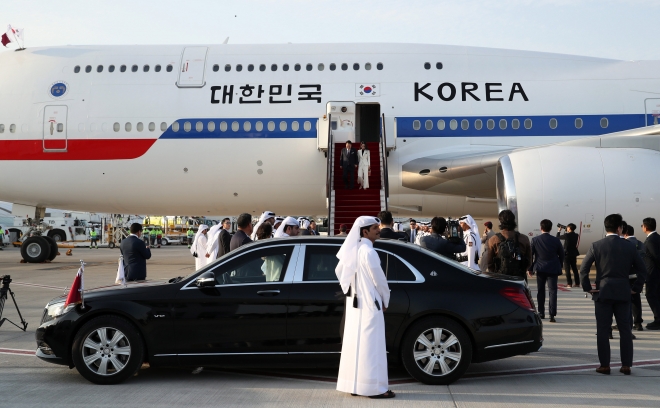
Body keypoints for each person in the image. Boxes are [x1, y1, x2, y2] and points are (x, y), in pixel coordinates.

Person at [579, 213, 646, 375]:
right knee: (625, 330)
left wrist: (588, 287)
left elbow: (584, 269)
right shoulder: (630, 246)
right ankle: (626, 365)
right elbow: (642, 270)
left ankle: (605, 365)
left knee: (602, 330)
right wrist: (635, 288)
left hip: (603, 292)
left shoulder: (596, 245)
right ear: (619, 228)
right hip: (623, 292)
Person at [335, 216, 394, 399]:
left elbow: (342, 274)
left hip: (355, 305)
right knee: (372, 348)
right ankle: (375, 389)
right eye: (374, 227)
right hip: (369, 304)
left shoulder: (355, 250)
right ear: (364, 232)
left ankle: (355, 385)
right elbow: (380, 281)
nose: (378, 229)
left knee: (355, 346)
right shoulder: (369, 252)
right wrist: (386, 300)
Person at [528, 219, 564, 322]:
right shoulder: (556, 240)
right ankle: (552, 315)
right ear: (551, 228)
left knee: (541, 291)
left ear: (541, 228)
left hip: (540, 268)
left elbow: (531, 255)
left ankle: (541, 312)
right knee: (553, 292)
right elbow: (561, 254)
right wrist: (559, 265)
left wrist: (530, 268)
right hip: (553, 268)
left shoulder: (535, 240)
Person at [486, 210, 532, 278]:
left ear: (501, 222)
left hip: (500, 278)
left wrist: (495, 273)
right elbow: (529, 261)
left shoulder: (493, 240)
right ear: (514, 221)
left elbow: (489, 262)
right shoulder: (524, 239)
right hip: (519, 278)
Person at [624, 225, 645, 331]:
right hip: (637, 276)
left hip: (626, 276)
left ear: (625, 233)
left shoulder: (625, 244)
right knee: (636, 300)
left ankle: (624, 323)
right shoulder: (640, 243)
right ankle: (638, 323)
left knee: (625, 302)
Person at [642, 217, 660, 330]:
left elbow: (656, 257)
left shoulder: (650, 240)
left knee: (651, 295)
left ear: (646, 227)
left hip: (653, 273)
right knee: (657, 295)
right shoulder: (657, 237)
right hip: (656, 272)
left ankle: (658, 319)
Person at [557, 223, 580, 287]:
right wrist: (566, 231)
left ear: (569, 228)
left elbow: (557, 237)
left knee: (567, 269)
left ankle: (569, 283)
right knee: (574, 269)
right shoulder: (576, 235)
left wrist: (559, 230)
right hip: (573, 254)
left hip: (567, 254)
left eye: (567, 227)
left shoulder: (566, 235)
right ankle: (577, 283)